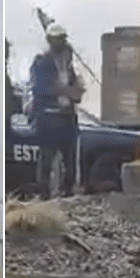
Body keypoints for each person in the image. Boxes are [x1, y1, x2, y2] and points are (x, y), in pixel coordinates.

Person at [28, 24, 84, 198]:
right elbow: (40, 88)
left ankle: (67, 194)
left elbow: (77, 93)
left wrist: (70, 91)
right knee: (46, 160)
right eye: (59, 40)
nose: (63, 44)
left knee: (70, 163)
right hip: (49, 118)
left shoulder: (68, 68)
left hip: (67, 118)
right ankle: (44, 196)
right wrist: (67, 91)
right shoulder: (41, 63)